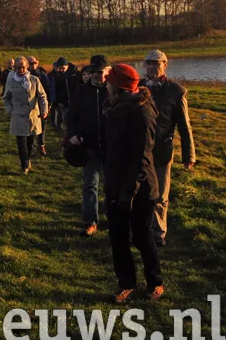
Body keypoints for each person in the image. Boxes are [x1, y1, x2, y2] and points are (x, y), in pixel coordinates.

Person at [103, 63, 163, 303]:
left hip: (141, 187)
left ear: (119, 87)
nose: (106, 85)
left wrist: (129, 192)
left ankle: (155, 282)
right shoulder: (115, 108)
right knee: (117, 237)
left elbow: (142, 158)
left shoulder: (142, 114)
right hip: (116, 183)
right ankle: (126, 285)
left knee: (141, 237)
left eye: (109, 82)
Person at [141, 50, 195, 247]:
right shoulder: (137, 87)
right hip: (139, 150)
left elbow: (185, 126)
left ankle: (158, 233)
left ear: (165, 65)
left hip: (162, 150)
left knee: (161, 194)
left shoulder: (176, 91)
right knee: (139, 192)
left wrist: (189, 155)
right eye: (149, 63)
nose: (152, 67)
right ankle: (140, 229)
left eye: (157, 63)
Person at [66, 55, 111, 237]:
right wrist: (73, 134)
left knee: (112, 185)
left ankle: (112, 217)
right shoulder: (82, 91)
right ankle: (90, 221)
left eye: (102, 72)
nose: (99, 76)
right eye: (95, 72)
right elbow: (71, 116)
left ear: (108, 72)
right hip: (89, 145)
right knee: (90, 184)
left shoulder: (114, 90)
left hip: (111, 146)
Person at [3, 57, 48, 174]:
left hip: (32, 116)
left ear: (27, 67)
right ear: (15, 68)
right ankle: (24, 165)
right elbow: (6, 97)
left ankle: (28, 159)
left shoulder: (34, 80)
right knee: (21, 143)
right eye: (19, 68)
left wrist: (44, 110)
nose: (21, 70)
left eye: (23, 67)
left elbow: (42, 96)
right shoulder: (11, 81)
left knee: (30, 143)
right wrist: (10, 110)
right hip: (18, 115)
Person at [27, 56, 53, 156]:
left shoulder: (42, 75)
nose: (33, 65)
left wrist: (49, 104)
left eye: (34, 63)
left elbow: (48, 90)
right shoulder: (24, 75)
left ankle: (41, 144)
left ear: (37, 63)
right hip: (30, 104)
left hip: (41, 103)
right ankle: (31, 146)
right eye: (30, 63)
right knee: (31, 125)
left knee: (42, 124)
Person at [49, 57, 81, 131]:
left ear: (67, 66)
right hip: (65, 104)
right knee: (67, 123)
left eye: (63, 68)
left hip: (76, 103)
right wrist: (59, 101)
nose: (62, 70)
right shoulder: (58, 75)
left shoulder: (76, 74)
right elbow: (57, 90)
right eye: (60, 68)